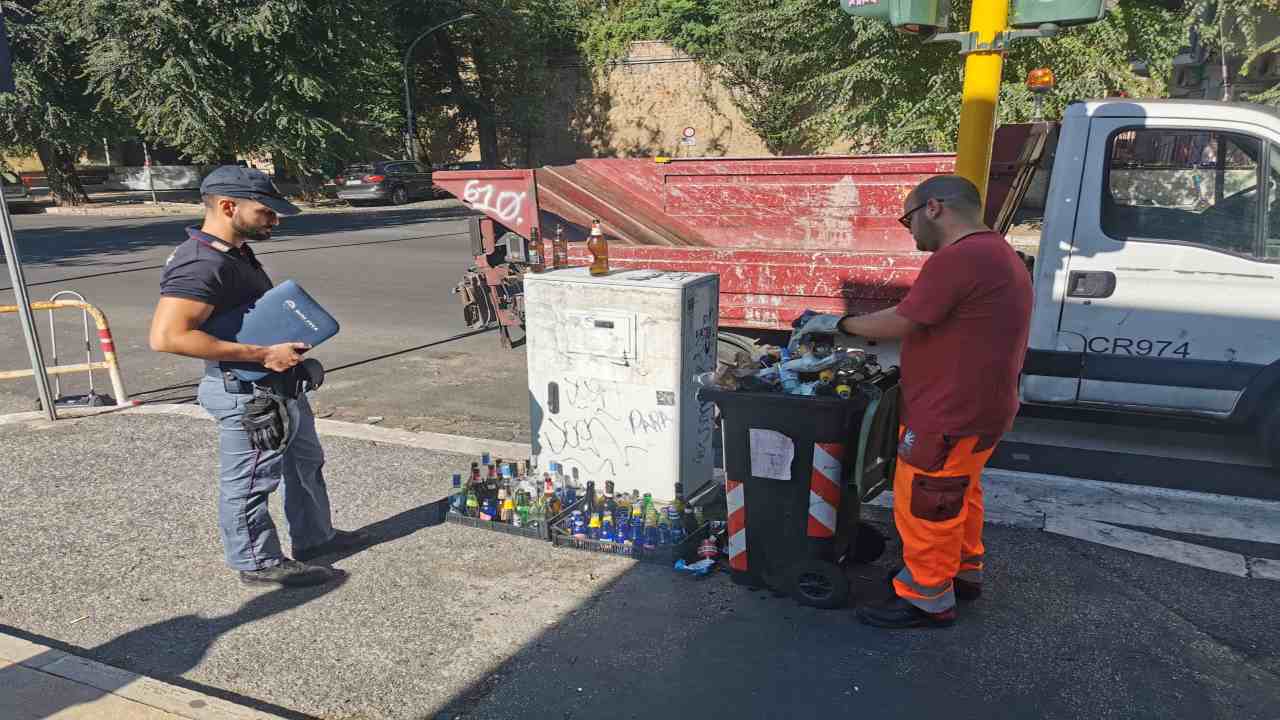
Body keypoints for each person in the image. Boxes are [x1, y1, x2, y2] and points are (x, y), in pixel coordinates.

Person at [793, 175, 1033, 628]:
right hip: (983, 408)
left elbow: (903, 321)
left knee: (926, 501)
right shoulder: (997, 252)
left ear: (935, 208)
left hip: (948, 410)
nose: (910, 230)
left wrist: (837, 323)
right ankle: (961, 573)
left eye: (909, 219)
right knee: (959, 494)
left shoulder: (960, 258)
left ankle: (926, 596)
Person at [149, 166, 366, 587]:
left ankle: (315, 540)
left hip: (277, 384)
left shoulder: (233, 251)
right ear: (228, 207)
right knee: (250, 481)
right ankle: (257, 562)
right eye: (266, 211)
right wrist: (264, 353)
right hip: (246, 392)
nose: (275, 219)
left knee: (305, 464)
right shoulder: (199, 264)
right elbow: (168, 336)